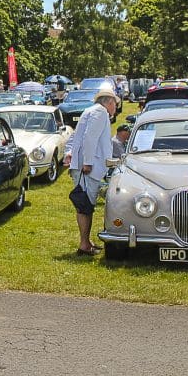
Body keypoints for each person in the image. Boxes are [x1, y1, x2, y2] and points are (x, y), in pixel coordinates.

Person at [63, 89, 118, 256]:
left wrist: (69, 153)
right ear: (109, 103)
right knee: (85, 205)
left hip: (85, 165)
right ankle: (84, 244)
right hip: (88, 168)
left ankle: (86, 242)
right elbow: (89, 138)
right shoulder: (100, 113)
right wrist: (87, 163)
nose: (115, 107)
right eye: (115, 103)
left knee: (86, 205)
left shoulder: (90, 111)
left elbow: (76, 137)